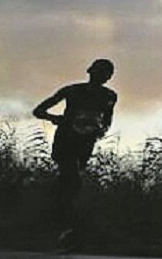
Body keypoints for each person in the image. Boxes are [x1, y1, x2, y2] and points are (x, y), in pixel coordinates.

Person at [32, 58, 118, 247]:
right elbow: (38, 110)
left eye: (107, 73)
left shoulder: (110, 96)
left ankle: (56, 224)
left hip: (86, 144)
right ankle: (68, 227)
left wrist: (101, 131)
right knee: (71, 180)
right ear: (91, 72)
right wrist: (57, 119)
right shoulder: (72, 91)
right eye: (100, 72)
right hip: (65, 141)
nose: (103, 76)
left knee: (69, 184)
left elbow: (108, 119)